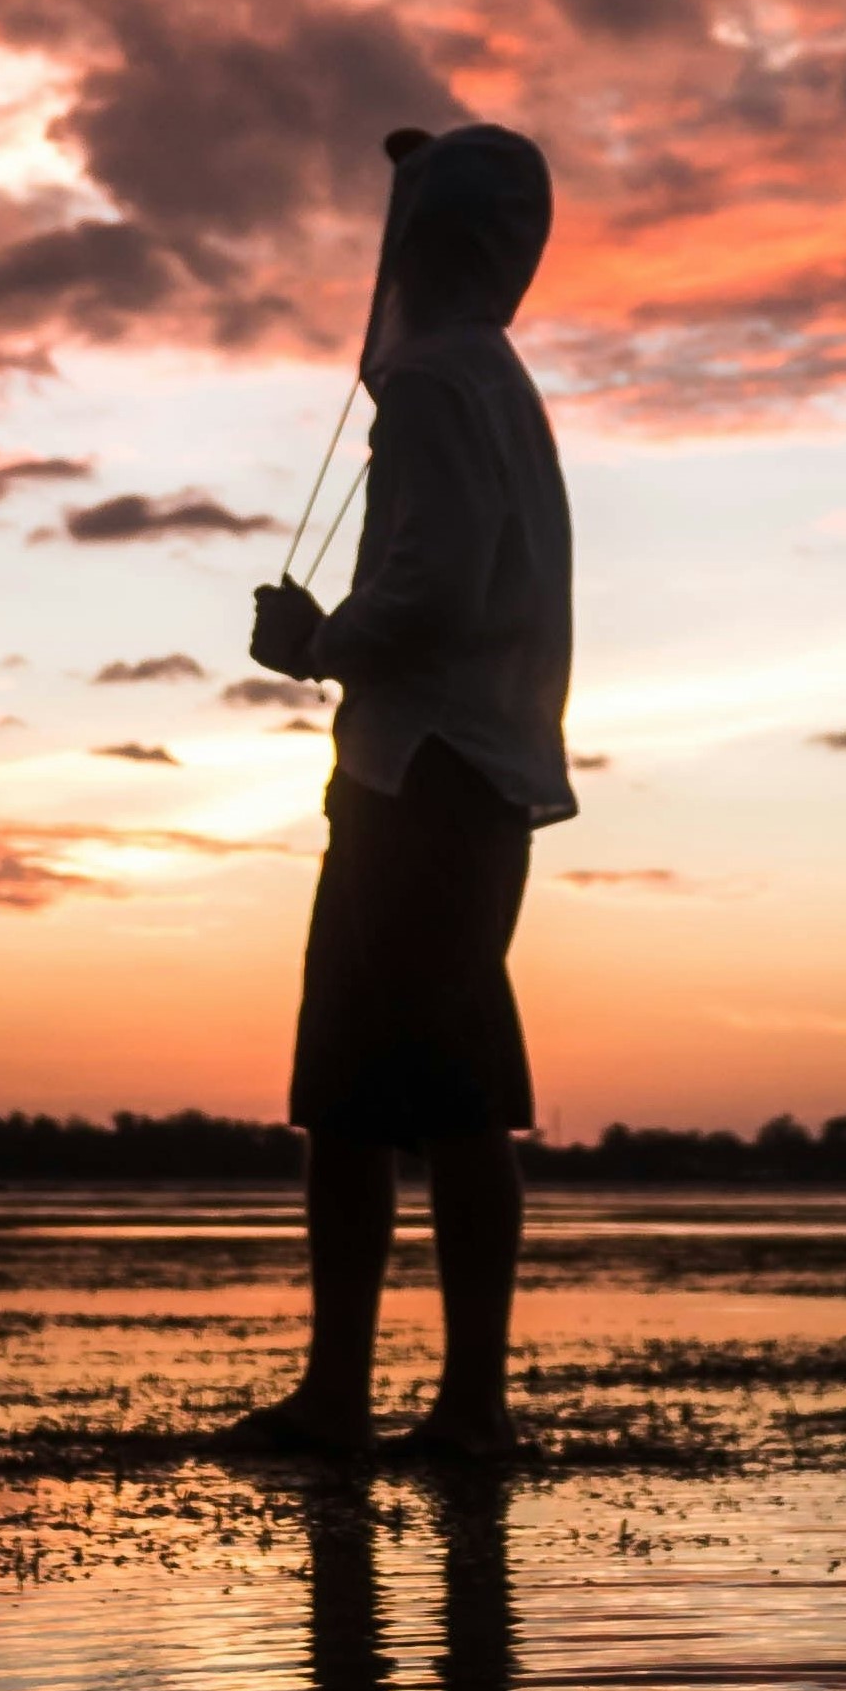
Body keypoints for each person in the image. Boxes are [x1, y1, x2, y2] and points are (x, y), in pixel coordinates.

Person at [225, 122, 575, 1463]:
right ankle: (347, 1396)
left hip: (427, 778)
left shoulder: (434, 382)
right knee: (354, 1098)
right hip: (424, 774)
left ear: (429, 245)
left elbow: (429, 590)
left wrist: (320, 643)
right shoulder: (496, 383)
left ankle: (465, 1406)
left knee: (451, 1093)